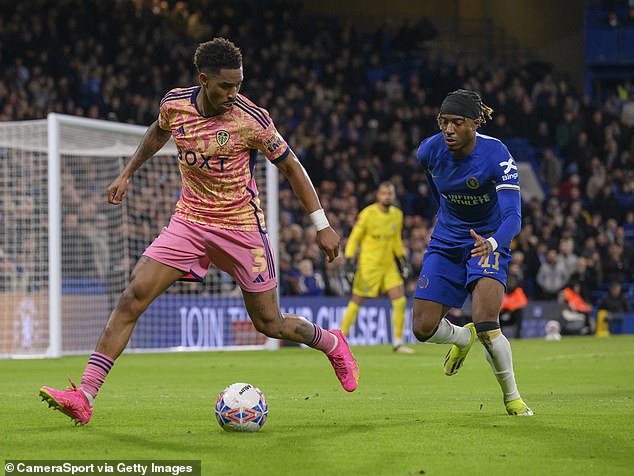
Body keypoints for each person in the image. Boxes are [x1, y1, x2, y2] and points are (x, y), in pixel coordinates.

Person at [39, 38, 359, 426]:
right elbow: (159, 132)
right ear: (204, 80)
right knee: (132, 296)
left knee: (269, 323)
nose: (233, 93)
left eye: (238, 84)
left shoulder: (251, 119)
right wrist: (127, 172)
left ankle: (332, 343)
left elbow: (292, 166)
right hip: (189, 221)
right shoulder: (175, 104)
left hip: (241, 227)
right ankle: (84, 396)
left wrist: (321, 224)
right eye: (226, 86)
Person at [412, 89, 533, 416]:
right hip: (447, 239)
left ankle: (512, 397)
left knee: (486, 323)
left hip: (489, 240)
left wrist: (493, 243)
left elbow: (514, 217)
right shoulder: (429, 151)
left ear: (475, 124)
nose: (448, 129)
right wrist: (444, 217)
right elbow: (435, 187)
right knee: (422, 328)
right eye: (443, 122)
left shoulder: (497, 155)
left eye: (457, 122)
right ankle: (460, 339)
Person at [341, 182, 413, 353]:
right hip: (369, 265)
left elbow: (396, 240)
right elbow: (354, 238)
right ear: (378, 196)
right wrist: (349, 260)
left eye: (390, 193)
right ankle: (340, 338)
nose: (387, 196)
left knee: (400, 300)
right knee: (357, 300)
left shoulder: (397, 215)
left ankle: (398, 342)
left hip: (388, 265)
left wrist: (402, 259)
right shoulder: (367, 214)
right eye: (384, 193)